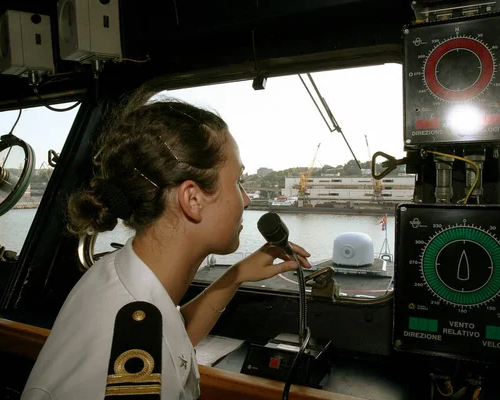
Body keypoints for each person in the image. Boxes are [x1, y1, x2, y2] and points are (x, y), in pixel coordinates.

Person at [20, 88, 311, 400]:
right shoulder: (129, 369)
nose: (247, 198)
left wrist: (235, 275)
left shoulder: (118, 275)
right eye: (238, 181)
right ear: (193, 199)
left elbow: (174, 337)